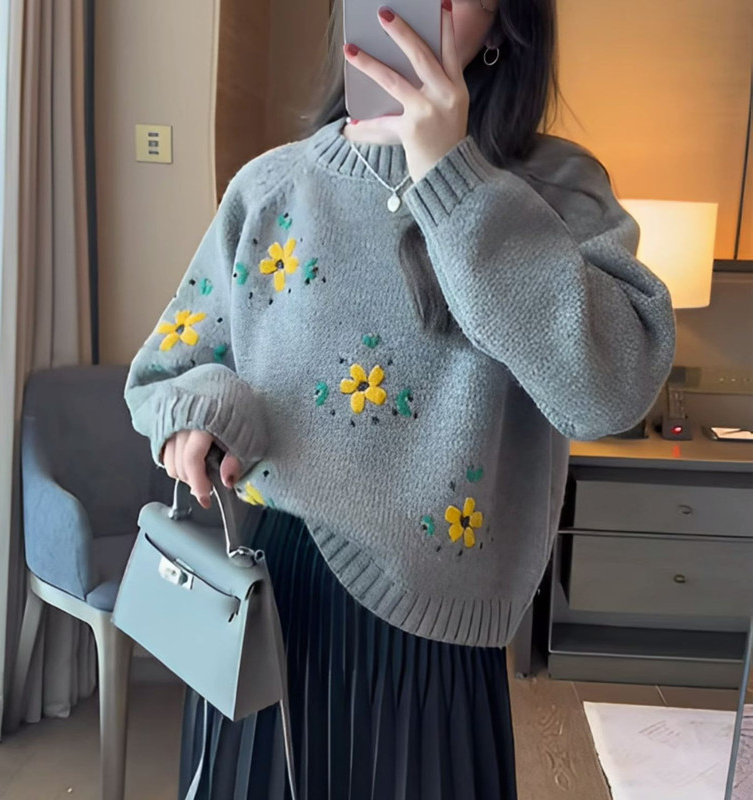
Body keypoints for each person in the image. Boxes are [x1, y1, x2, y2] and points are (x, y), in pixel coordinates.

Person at [124, 0, 677, 797]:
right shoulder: (274, 186)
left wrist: (453, 177)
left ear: (505, 22)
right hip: (270, 603)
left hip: (437, 636)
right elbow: (168, 369)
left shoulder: (557, 189)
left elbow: (610, 393)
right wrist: (204, 409)